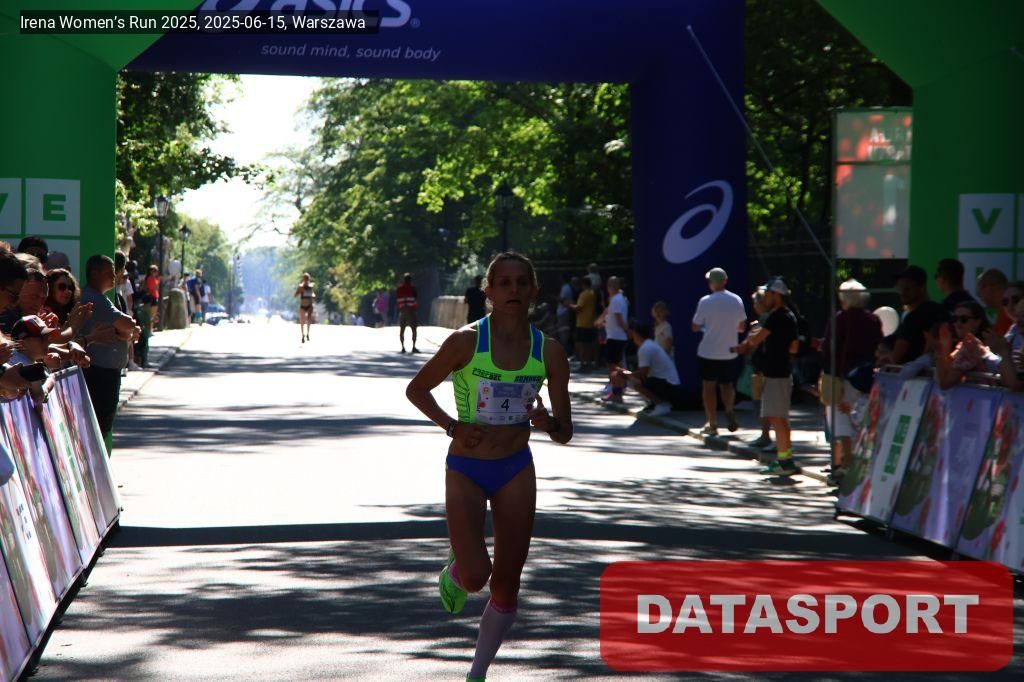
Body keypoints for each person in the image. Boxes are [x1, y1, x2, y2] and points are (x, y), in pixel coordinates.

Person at [405, 252, 572, 681]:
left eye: (522, 283)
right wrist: (451, 426)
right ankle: (458, 570)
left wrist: (547, 422)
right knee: (478, 576)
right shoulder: (465, 342)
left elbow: (565, 431)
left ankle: (477, 673)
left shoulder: (550, 352)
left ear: (533, 290)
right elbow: (417, 389)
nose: (514, 290)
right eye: (504, 283)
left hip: (515, 468)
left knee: (507, 583)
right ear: (489, 292)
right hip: (467, 467)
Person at [733, 277, 800, 476]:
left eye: (768, 294)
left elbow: (756, 339)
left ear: (776, 295)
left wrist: (747, 341)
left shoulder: (777, 316)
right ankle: (785, 458)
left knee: (776, 417)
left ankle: (784, 461)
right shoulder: (789, 316)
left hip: (776, 374)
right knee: (780, 418)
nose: (764, 299)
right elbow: (794, 347)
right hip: (781, 372)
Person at [820, 279, 883, 486]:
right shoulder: (873, 320)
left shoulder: (839, 319)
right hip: (866, 378)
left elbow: (829, 349)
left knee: (842, 423)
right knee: (861, 420)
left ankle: (846, 465)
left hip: (843, 377)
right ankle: (861, 464)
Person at [78, 255, 140, 453]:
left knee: (101, 426)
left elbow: (126, 329)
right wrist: (126, 331)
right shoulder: (94, 298)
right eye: (109, 272)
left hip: (105, 372)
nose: (114, 276)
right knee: (98, 426)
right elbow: (128, 324)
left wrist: (125, 332)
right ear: (95, 273)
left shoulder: (101, 298)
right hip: (99, 373)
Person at [691, 267, 747, 435]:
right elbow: (742, 326)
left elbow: (695, 326)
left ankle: (712, 422)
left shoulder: (705, 301)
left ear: (712, 283)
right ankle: (729, 409)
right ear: (725, 281)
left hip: (708, 351)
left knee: (708, 387)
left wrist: (706, 327)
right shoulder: (736, 300)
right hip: (729, 351)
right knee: (727, 384)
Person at [615, 322, 684, 416]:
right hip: (668, 383)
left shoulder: (645, 348)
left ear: (636, 334)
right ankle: (654, 403)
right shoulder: (649, 344)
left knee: (636, 383)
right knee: (635, 379)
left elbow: (643, 373)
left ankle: (661, 405)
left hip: (669, 385)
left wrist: (625, 373)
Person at [883, 265, 949, 365]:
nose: (902, 293)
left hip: (915, 372)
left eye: (907, 288)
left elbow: (896, 356)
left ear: (922, 288)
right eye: (900, 288)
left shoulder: (913, 317)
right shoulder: (942, 310)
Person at [934, 300, 999, 389]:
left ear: (977, 322)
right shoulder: (963, 344)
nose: (958, 324)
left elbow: (945, 384)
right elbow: (950, 368)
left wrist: (940, 351)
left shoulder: (971, 346)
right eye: (955, 319)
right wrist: (945, 345)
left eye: (963, 319)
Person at [596, 276, 629, 403]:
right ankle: (616, 391)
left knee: (613, 367)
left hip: (616, 337)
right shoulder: (618, 299)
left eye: (609, 285)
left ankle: (617, 393)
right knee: (615, 366)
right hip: (615, 336)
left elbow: (619, 318)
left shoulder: (616, 299)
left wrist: (627, 331)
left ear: (612, 286)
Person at [570, 276, 597, 371]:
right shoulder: (592, 293)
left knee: (581, 344)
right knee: (589, 344)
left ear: (583, 284)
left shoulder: (584, 294)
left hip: (582, 323)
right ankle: (588, 363)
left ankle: (582, 364)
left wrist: (569, 305)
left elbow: (578, 307)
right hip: (590, 322)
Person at [976, 268, 1013, 335]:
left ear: (991, 287)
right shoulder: (1003, 314)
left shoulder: (1011, 315)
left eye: (981, 288)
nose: (978, 294)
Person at [396, 272, 419, 353]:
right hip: (411, 311)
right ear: (410, 280)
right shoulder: (413, 289)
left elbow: (397, 300)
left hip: (402, 311)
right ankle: (413, 346)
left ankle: (403, 347)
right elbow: (415, 299)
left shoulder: (399, 289)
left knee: (402, 330)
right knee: (414, 329)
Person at [294, 273, 316, 343]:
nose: (306, 280)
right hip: (303, 305)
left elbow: (313, 293)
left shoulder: (311, 286)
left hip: (309, 305)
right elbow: (295, 295)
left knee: (309, 320)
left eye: (307, 279)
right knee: (302, 321)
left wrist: (313, 295)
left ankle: (307, 333)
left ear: (309, 279)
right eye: (305, 279)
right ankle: (303, 335)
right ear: (303, 279)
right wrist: (300, 291)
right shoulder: (300, 286)